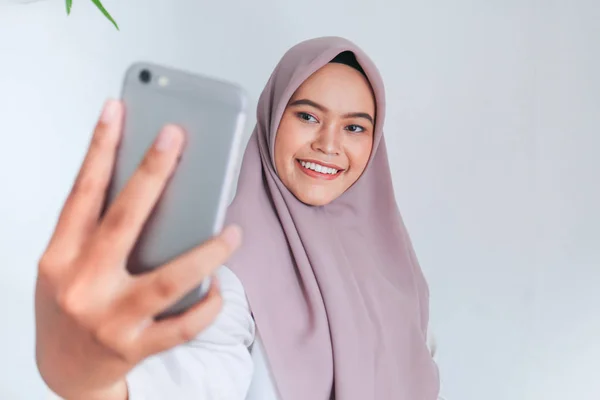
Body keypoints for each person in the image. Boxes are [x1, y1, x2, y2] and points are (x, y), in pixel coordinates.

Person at [37, 37, 441, 400]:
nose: (328, 144)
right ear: (271, 120)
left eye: (354, 126)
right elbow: (200, 376)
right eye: (307, 117)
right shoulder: (227, 262)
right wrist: (91, 383)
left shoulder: (397, 269)